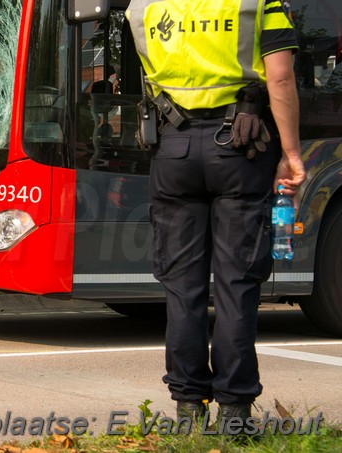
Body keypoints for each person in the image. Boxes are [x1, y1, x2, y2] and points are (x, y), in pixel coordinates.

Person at [125, 0, 307, 426]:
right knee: (236, 283)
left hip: (174, 147)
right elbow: (280, 77)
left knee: (182, 288)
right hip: (241, 147)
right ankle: (235, 413)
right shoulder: (259, 3)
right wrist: (292, 153)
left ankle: (188, 409)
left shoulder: (143, 6)